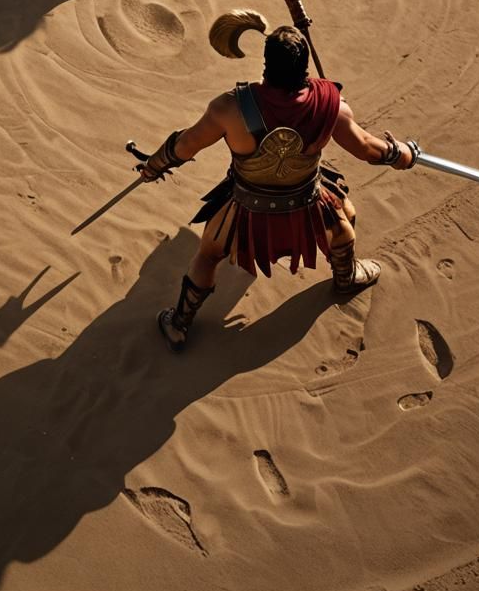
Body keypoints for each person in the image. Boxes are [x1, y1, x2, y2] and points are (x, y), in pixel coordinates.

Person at [138, 24, 418, 350]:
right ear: (304, 68)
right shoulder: (333, 105)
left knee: (209, 254)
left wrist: (154, 166)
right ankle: (347, 275)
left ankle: (179, 322)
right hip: (309, 203)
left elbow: (185, 146)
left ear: (266, 65)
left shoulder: (229, 108)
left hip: (244, 209)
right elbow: (368, 148)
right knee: (344, 225)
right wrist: (404, 154)